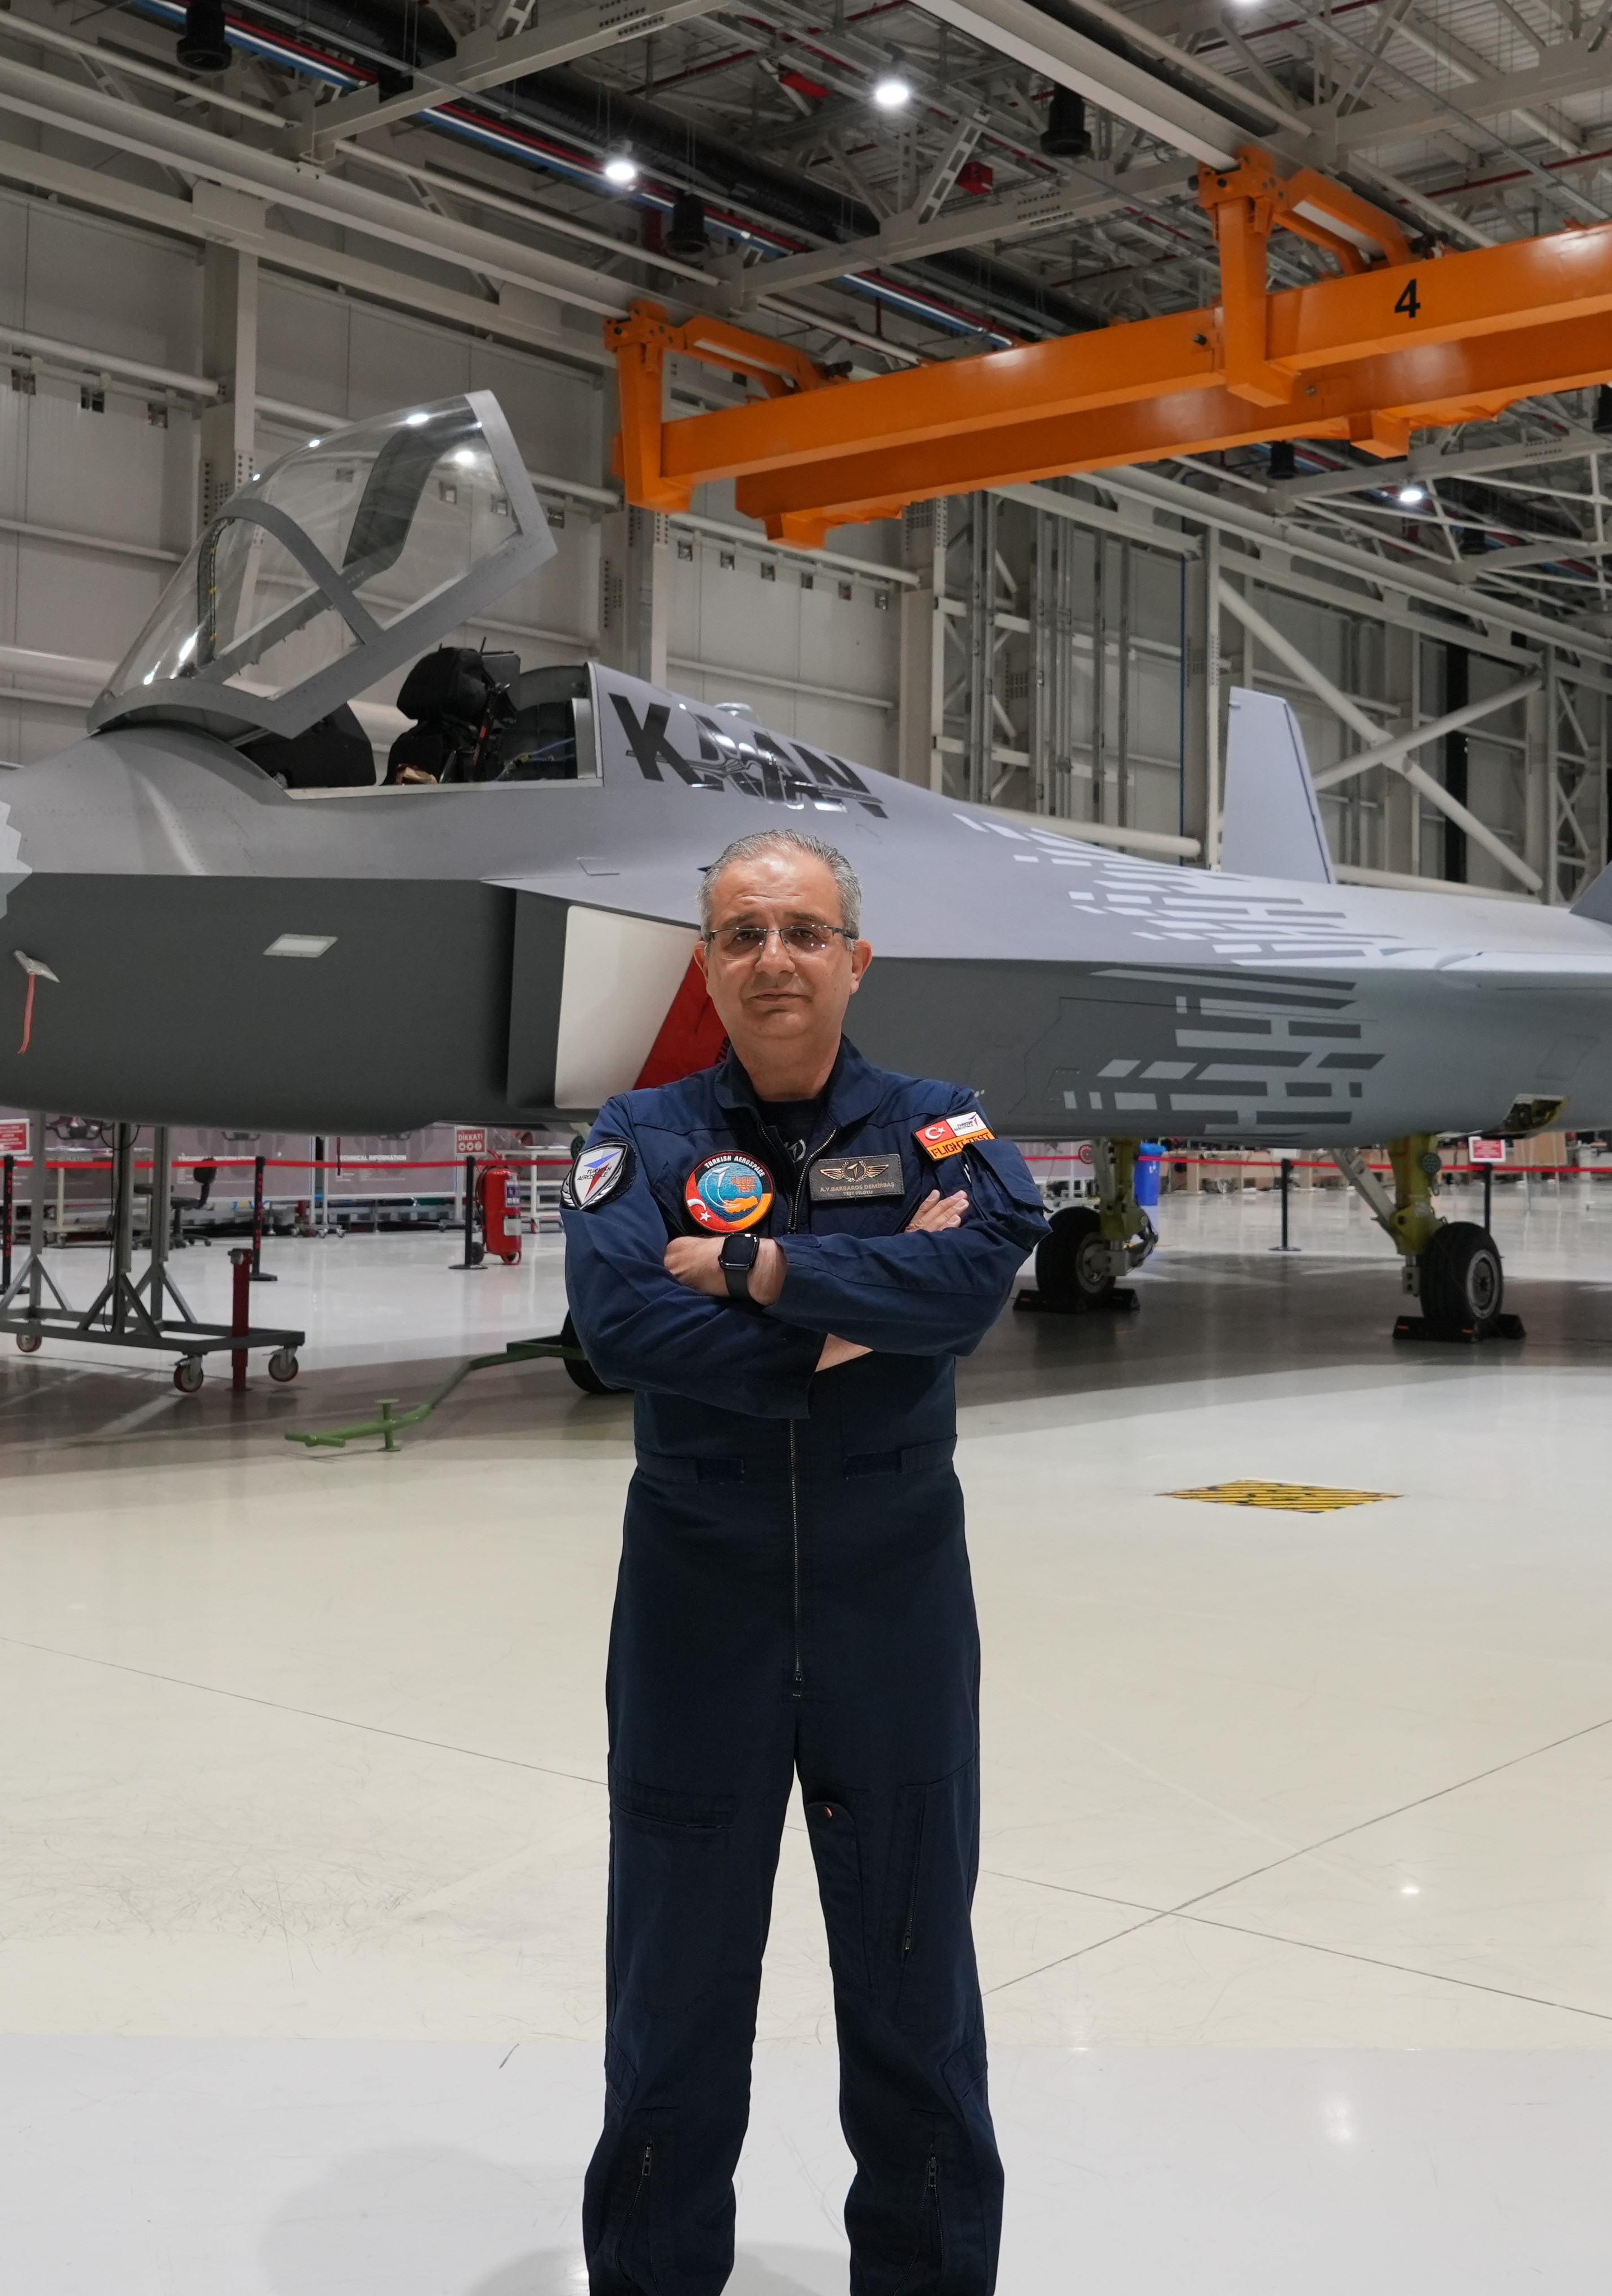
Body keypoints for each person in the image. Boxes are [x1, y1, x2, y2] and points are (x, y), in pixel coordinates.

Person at [560, 827, 1046, 2296]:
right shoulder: (638, 1135)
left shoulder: (937, 1124)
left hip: (890, 1602)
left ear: (855, 958)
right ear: (709, 964)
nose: (774, 957)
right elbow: (620, 1328)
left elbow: (974, 1276)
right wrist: (843, 1336)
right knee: (671, 1993)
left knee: (914, 1987)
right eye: (742, 934)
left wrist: (761, 1271)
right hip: (693, 1604)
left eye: (803, 931)